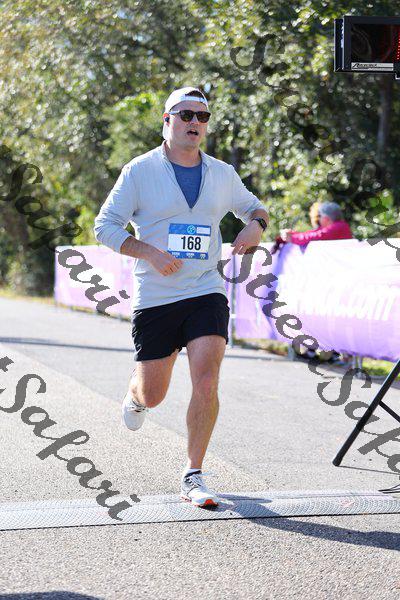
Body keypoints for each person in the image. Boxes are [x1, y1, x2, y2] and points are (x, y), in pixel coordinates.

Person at [93, 86, 269, 508]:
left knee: (207, 379)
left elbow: (256, 209)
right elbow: (105, 226)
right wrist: (149, 252)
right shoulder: (140, 171)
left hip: (205, 288)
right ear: (167, 120)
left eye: (202, 117)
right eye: (186, 114)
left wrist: (255, 226)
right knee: (153, 393)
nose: (194, 123)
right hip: (156, 294)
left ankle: (194, 474)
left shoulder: (222, 173)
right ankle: (136, 394)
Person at [280, 201, 352, 245]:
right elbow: (313, 233)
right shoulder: (338, 225)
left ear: (326, 218)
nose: (318, 219)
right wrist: (293, 234)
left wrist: (292, 238)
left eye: (319, 216)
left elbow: (316, 236)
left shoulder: (339, 226)